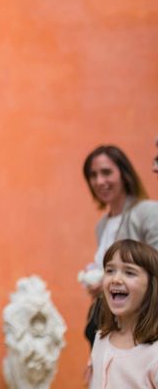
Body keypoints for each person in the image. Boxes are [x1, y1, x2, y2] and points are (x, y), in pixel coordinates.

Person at [82, 145, 158, 347]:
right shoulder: (102, 226)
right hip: (105, 320)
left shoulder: (147, 212)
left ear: (124, 174)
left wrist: (111, 280)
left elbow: (155, 268)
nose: (99, 181)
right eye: (93, 175)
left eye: (106, 172)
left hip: (140, 328)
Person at [88, 239, 158, 388]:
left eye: (129, 272)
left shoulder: (154, 354)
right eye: (110, 270)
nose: (116, 279)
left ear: (152, 286)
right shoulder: (101, 338)